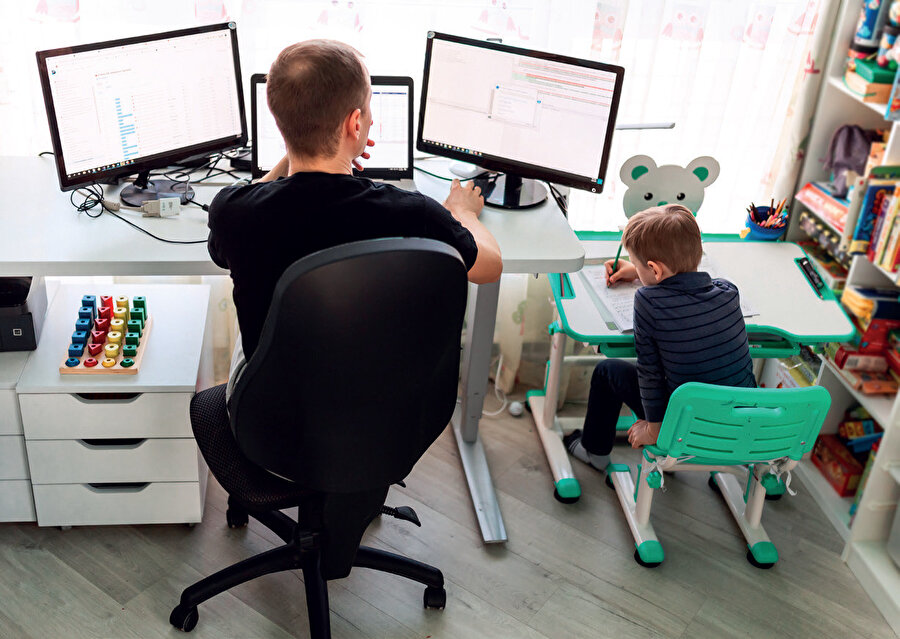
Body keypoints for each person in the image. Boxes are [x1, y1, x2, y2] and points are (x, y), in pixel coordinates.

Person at [207, 40, 502, 388]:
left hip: (272, 417)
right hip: (378, 404)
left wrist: (296, 151)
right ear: (355, 123)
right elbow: (489, 267)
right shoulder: (414, 213)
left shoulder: (234, 212)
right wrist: (462, 213)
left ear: (278, 121)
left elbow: (223, 245)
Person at [564, 204, 755, 471]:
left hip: (682, 426)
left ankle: (594, 451)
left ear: (655, 270)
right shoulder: (728, 291)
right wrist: (639, 271)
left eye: (640, 266)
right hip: (737, 424)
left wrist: (654, 430)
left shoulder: (647, 301)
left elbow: (650, 373)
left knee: (607, 371)